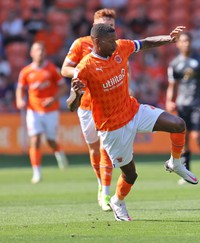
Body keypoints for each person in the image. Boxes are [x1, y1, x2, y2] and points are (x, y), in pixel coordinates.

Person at [67, 24, 198, 221]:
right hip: (112, 128)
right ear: (96, 42)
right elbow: (71, 106)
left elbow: (144, 43)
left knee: (178, 124)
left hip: (134, 110)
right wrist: (76, 95)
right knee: (131, 175)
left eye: (115, 39)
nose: (115, 43)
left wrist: (168, 39)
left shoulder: (120, 47)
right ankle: (118, 202)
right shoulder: (84, 68)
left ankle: (175, 163)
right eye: (110, 41)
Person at [61, 8, 116, 212]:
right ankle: (101, 184)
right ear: (94, 26)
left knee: (105, 148)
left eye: (110, 26)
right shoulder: (80, 44)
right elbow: (64, 69)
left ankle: (106, 192)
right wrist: (82, 73)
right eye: (103, 25)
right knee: (94, 149)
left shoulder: (116, 45)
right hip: (85, 106)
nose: (107, 29)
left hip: (108, 105)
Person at [16, 41, 69, 184]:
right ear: (32, 53)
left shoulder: (52, 69)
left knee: (51, 140)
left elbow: (63, 88)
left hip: (51, 111)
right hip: (33, 110)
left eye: (42, 50)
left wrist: (53, 99)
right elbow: (20, 88)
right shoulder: (26, 71)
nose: (40, 53)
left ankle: (58, 152)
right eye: (37, 50)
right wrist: (20, 100)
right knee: (35, 139)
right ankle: (37, 172)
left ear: (45, 53)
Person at [166, 32, 200, 184]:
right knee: (184, 139)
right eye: (183, 41)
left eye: (188, 40)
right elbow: (172, 86)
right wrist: (169, 100)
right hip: (182, 104)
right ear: (178, 44)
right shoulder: (174, 63)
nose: (186, 43)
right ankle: (186, 172)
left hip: (197, 103)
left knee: (197, 136)